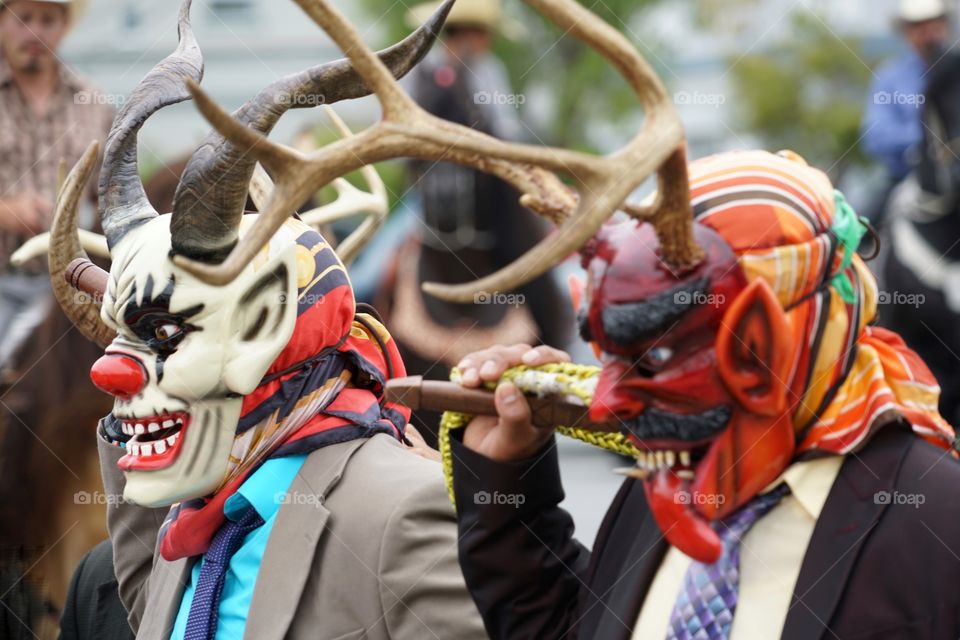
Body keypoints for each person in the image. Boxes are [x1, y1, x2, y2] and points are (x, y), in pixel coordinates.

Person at [50, 2, 486, 638]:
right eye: (125, 334)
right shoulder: (188, 515)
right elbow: (148, 613)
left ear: (259, 324)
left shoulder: (403, 510)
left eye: (165, 333)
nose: (108, 371)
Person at [448, 149, 960, 639]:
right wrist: (509, 487)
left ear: (761, 340)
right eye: (610, 354)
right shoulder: (671, 476)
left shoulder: (937, 527)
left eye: (657, 357)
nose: (606, 403)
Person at [0, 0, 111, 364]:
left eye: (48, 20)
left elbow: (112, 196)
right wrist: (5, 212)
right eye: (23, 18)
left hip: (72, 285)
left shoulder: (93, 102)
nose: (35, 31)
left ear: (64, 25)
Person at [861, 0, 950, 194]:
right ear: (907, 33)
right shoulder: (890, 77)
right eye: (918, 27)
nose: (928, 34)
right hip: (906, 176)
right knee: (863, 209)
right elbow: (875, 136)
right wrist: (930, 139)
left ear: (945, 26)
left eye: (934, 24)